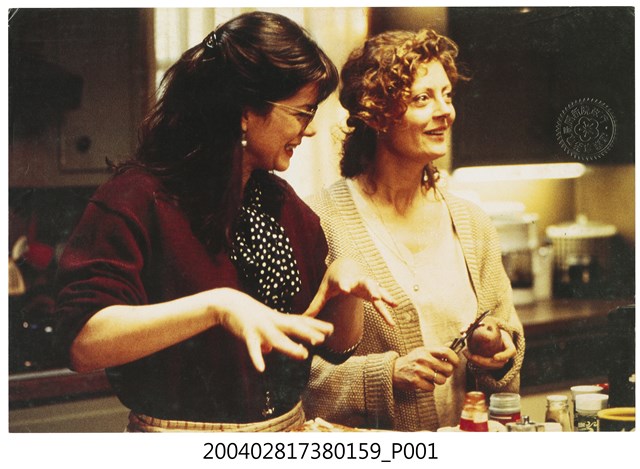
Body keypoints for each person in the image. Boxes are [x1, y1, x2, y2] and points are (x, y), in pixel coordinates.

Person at [53, 11, 395, 433]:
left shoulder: (282, 205)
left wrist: (345, 289)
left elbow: (335, 347)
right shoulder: (137, 198)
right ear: (244, 112)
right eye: (303, 112)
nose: (308, 131)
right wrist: (215, 307)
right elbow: (83, 344)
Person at [303, 29, 525, 431]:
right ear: (375, 114)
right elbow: (291, 379)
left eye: (447, 95)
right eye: (423, 98)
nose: (445, 111)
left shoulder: (472, 223)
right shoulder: (318, 221)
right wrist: (384, 376)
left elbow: (505, 349)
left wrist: (497, 350)